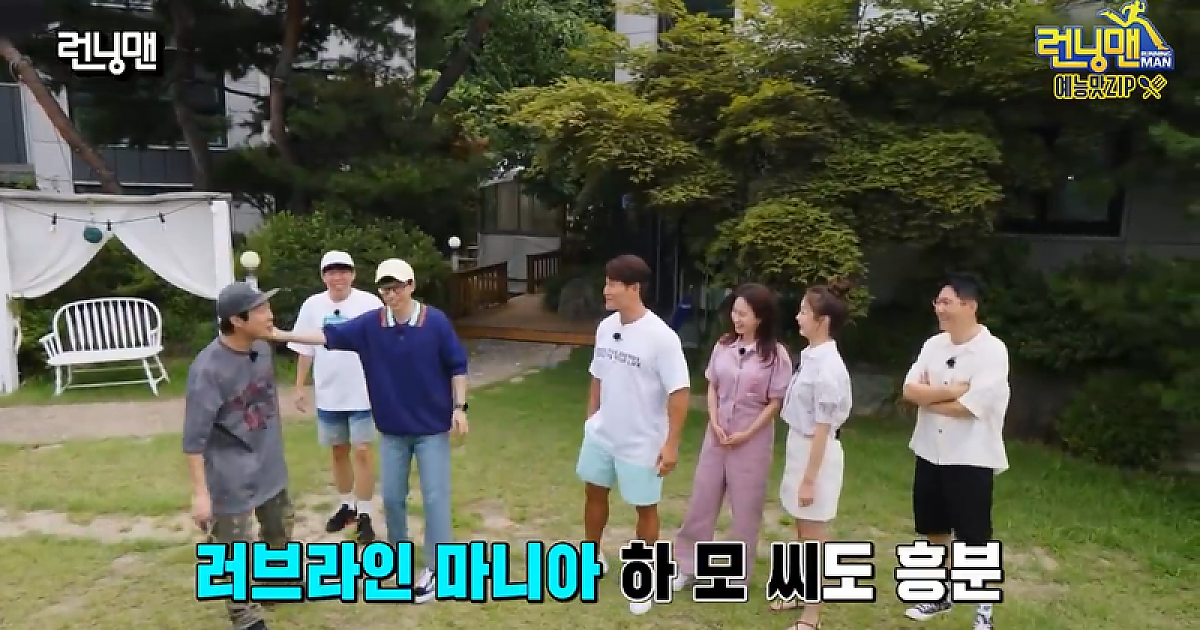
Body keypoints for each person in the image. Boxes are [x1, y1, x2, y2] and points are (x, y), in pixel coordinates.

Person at [267, 258, 468, 605]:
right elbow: (326, 335)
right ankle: (399, 555)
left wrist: (460, 407)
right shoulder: (371, 324)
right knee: (391, 498)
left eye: (397, 287)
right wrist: (282, 335)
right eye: (385, 288)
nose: (392, 294)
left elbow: (457, 365)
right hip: (392, 430)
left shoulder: (434, 322)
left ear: (411, 286)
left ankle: (438, 567)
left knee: (435, 498)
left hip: (432, 429)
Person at [576, 254, 691, 615]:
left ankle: (643, 580)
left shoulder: (662, 338)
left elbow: (679, 393)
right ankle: (592, 558)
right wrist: (591, 418)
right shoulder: (605, 327)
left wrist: (671, 444)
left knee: (645, 508)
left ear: (634, 288)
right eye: (606, 282)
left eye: (613, 284)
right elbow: (597, 375)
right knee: (594, 493)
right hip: (602, 435)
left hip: (642, 441)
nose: (606, 290)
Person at [899, 273, 1009, 630]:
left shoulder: (992, 351)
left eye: (947, 302)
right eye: (937, 302)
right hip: (929, 450)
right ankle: (940, 592)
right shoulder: (933, 345)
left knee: (974, 537)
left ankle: (983, 612)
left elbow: (971, 406)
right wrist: (950, 392)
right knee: (933, 527)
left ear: (969, 305)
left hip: (971, 456)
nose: (939, 309)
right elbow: (909, 389)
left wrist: (931, 399)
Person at [183, 282, 293, 630]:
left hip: (268, 463)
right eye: (260, 310)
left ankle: (274, 584)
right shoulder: (207, 371)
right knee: (236, 548)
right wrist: (201, 494)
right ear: (237, 320)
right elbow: (194, 440)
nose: (269, 315)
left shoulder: (262, 348)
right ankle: (245, 616)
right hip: (230, 473)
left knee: (279, 530)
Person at [672, 283, 791, 592]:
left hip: (752, 438)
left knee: (745, 508)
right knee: (702, 500)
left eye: (744, 314)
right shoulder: (723, 345)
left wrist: (747, 432)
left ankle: (737, 574)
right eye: (735, 312)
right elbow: (712, 385)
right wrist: (714, 420)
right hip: (717, 434)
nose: (736, 319)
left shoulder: (775, 355)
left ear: (760, 317)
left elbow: (775, 402)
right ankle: (687, 566)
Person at [773, 280, 854, 630]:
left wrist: (809, 479)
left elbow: (823, 427)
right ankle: (798, 590)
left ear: (823, 320)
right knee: (801, 527)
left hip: (816, 453)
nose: (798, 316)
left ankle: (812, 614)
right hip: (799, 446)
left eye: (805, 311)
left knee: (814, 536)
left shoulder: (829, 367)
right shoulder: (811, 357)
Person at [289, 250, 384, 542]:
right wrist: (299, 386)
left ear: (353, 274)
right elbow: (304, 349)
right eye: (331, 272)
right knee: (338, 451)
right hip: (329, 393)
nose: (338, 277)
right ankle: (347, 505)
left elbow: (384, 344)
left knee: (363, 451)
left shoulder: (370, 303)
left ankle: (365, 512)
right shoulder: (312, 306)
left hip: (363, 392)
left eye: (343, 271)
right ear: (323, 276)